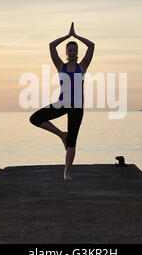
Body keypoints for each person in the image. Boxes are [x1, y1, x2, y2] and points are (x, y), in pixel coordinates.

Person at [29, 22, 95, 180]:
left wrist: (76, 36)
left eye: (74, 50)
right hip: (62, 103)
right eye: (70, 50)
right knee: (35, 118)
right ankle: (61, 135)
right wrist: (67, 36)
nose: (72, 52)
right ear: (66, 52)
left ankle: (67, 172)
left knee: (72, 141)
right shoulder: (61, 66)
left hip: (77, 107)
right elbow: (51, 46)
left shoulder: (83, 66)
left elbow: (91, 46)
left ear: (77, 52)